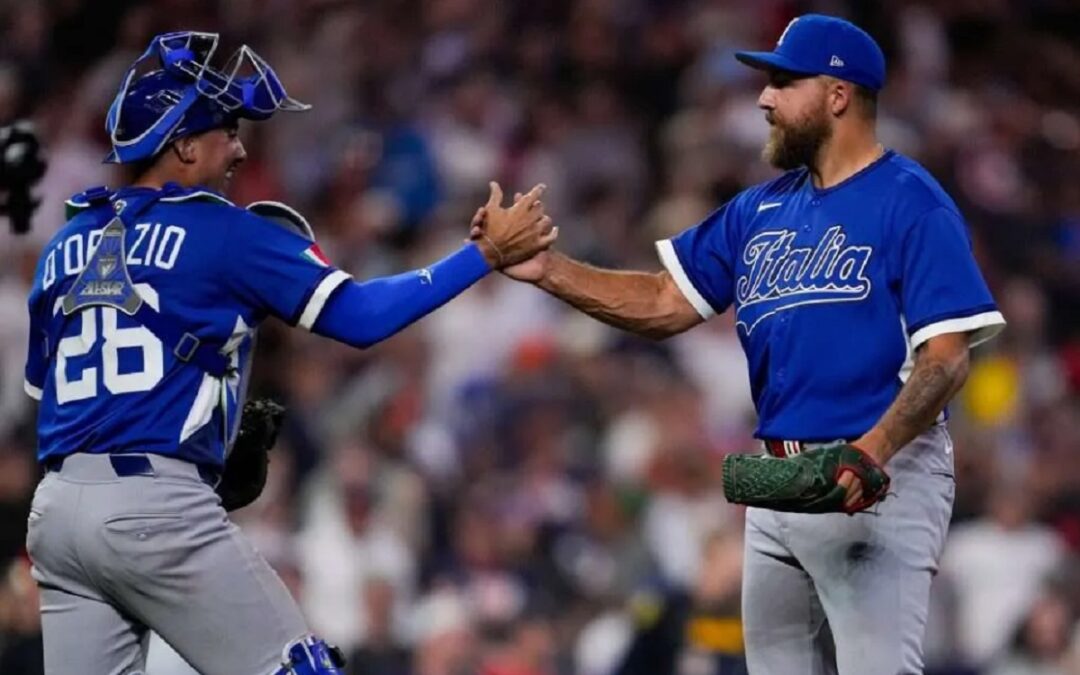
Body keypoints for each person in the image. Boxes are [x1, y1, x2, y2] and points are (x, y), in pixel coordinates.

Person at [476, 14, 1005, 675]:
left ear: (837, 94)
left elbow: (948, 358)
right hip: (778, 476)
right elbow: (664, 302)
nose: (764, 98)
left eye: (783, 82)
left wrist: (877, 446)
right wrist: (548, 270)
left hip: (880, 475)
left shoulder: (911, 203)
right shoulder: (759, 209)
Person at [23, 32, 554, 675]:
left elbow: (46, 397)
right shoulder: (220, 229)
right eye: (226, 130)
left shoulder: (65, 243)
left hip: (56, 516)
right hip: (154, 510)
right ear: (184, 146)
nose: (240, 147)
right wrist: (483, 256)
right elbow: (361, 318)